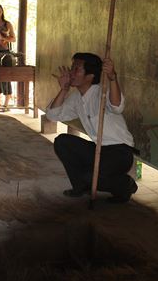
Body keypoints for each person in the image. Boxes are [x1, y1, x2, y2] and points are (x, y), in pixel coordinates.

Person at [45, 53, 138, 203]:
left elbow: (117, 106)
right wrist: (64, 89)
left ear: (90, 76)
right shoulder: (76, 97)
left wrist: (112, 77)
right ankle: (81, 187)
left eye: (76, 69)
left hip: (119, 152)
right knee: (62, 142)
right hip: (98, 150)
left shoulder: (102, 92)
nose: (71, 72)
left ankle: (125, 185)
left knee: (90, 177)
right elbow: (53, 116)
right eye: (72, 68)